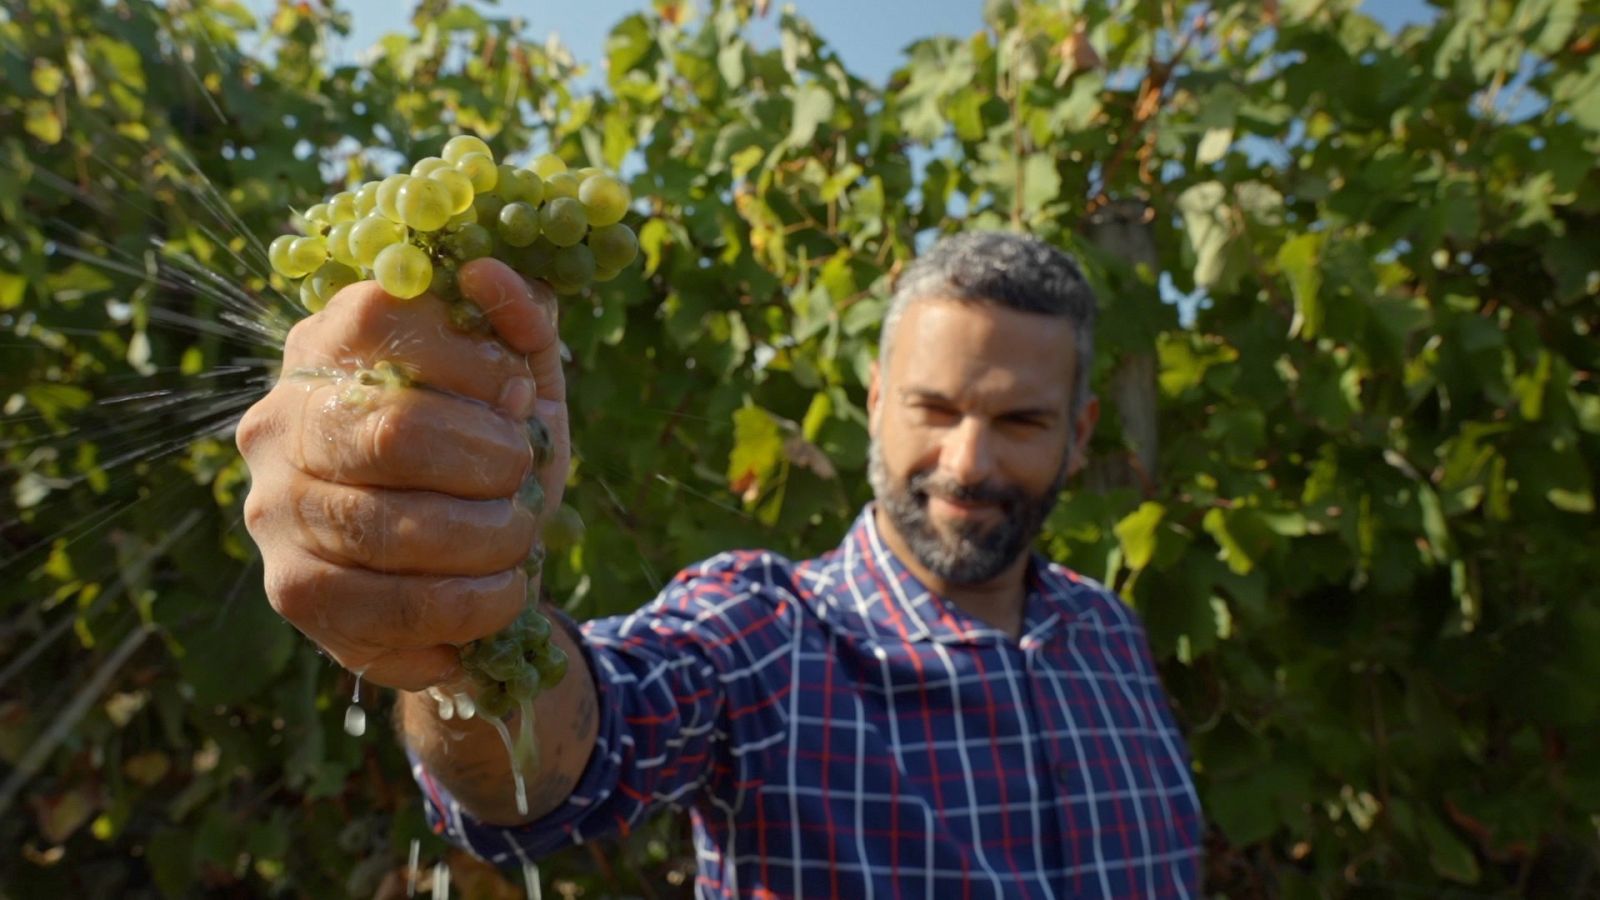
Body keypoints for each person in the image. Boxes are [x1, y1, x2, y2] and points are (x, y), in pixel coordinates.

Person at [237, 231, 1204, 897]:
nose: (968, 463)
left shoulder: (1108, 633)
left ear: (1079, 436)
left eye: (1021, 421)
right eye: (935, 409)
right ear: (875, 403)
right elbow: (542, 775)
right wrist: (463, 608)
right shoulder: (763, 634)